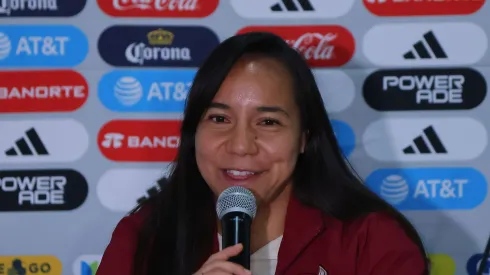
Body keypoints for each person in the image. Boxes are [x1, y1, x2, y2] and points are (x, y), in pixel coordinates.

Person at [96, 32, 430, 275]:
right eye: (219, 119)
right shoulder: (143, 237)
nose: (241, 145)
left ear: (304, 137)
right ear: (193, 132)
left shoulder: (371, 239)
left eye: (268, 121)